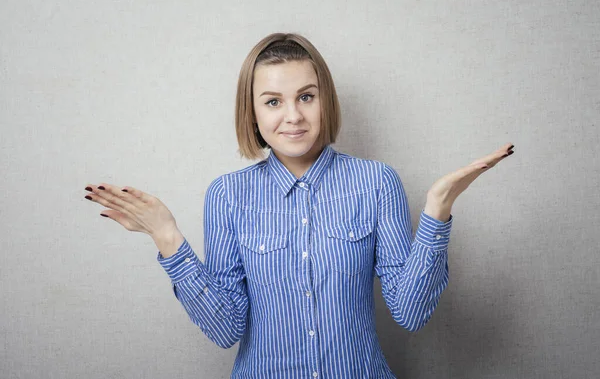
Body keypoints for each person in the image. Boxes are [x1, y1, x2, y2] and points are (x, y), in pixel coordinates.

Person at [84, 33, 514, 378]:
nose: (293, 116)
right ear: (252, 113)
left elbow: (411, 311)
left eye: (306, 96)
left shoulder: (376, 183)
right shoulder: (228, 195)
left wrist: (438, 210)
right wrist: (167, 238)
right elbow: (224, 328)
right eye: (273, 101)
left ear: (325, 99)